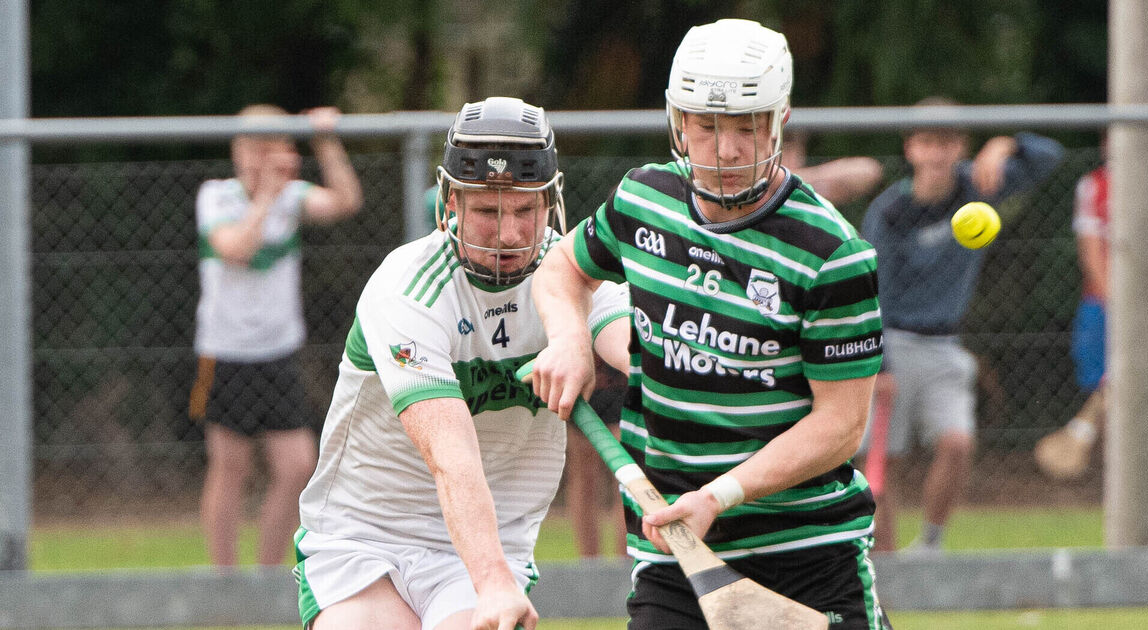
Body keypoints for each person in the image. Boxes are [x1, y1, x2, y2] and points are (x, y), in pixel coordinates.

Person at [529, 19, 890, 629]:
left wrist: (719, 497)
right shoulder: (644, 200)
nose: (725, 150)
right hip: (675, 552)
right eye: (707, 126)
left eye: (747, 128)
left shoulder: (832, 252)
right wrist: (570, 340)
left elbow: (841, 425)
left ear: (780, 120)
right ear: (678, 122)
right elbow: (562, 268)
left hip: (805, 550)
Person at [293, 96, 630, 630]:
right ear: (449, 203)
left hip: (486, 541)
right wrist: (494, 584)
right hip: (365, 539)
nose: (511, 235)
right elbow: (451, 455)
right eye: (487, 212)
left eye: (526, 210)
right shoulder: (407, 291)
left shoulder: (572, 276)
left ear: (552, 201)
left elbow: (644, 351)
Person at [859, 96, 1065, 552]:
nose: (937, 153)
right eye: (927, 142)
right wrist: (882, 365)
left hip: (945, 346)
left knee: (956, 444)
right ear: (911, 149)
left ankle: (929, 548)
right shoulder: (889, 212)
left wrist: (1003, 145)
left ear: (961, 147)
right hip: (889, 343)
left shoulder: (977, 186)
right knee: (877, 466)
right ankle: (885, 570)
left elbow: (1051, 156)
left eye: (948, 142)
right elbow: (873, 294)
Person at [189, 104, 363, 568]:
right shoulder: (216, 197)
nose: (262, 160)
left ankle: (266, 577)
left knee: (297, 465)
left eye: (273, 149)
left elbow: (346, 201)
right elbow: (235, 249)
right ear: (237, 153)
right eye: (253, 150)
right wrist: (264, 197)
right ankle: (225, 581)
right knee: (231, 466)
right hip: (225, 352)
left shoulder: (292, 196)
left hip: (278, 352)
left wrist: (325, 142)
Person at [1034, 141, 1109, 480]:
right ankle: (1110, 475)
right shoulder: (1094, 184)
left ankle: (1124, 473)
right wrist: (1115, 304)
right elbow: (1090, 252)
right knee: (1104, 387)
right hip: (1102, 304)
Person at [564, 355, 626, 559]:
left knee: (626, 475)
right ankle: (589, 566)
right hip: (583, 367)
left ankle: (626, 565)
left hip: (621, 373)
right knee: (584, 475)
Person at [782, 129, 884, 207]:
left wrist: (790, 181)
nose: (787, 156)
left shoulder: (806, 188)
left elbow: (869, 171)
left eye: (789, 149)